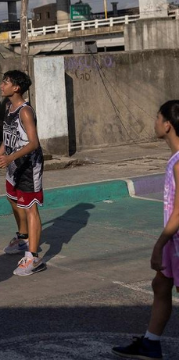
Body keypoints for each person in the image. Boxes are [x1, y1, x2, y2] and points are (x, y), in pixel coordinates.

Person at [113, 101, 179, 360]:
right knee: (160, 286)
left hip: (174, 239)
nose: (154, 122)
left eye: (157, 117)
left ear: (167, 125)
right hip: (174, 240)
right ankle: (151, 343)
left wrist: (159, 244)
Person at [0, 70, 46, 276]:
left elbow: (34, 143)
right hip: (14, 164)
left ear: (16, 88)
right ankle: (23, 238)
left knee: (30, 208)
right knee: (12, 199)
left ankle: (33, 257)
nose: (2, 85)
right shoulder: (8, 107)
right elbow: (8, 137)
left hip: (28, 166)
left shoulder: (25, 112)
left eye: (6, 82)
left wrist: (11, 158)